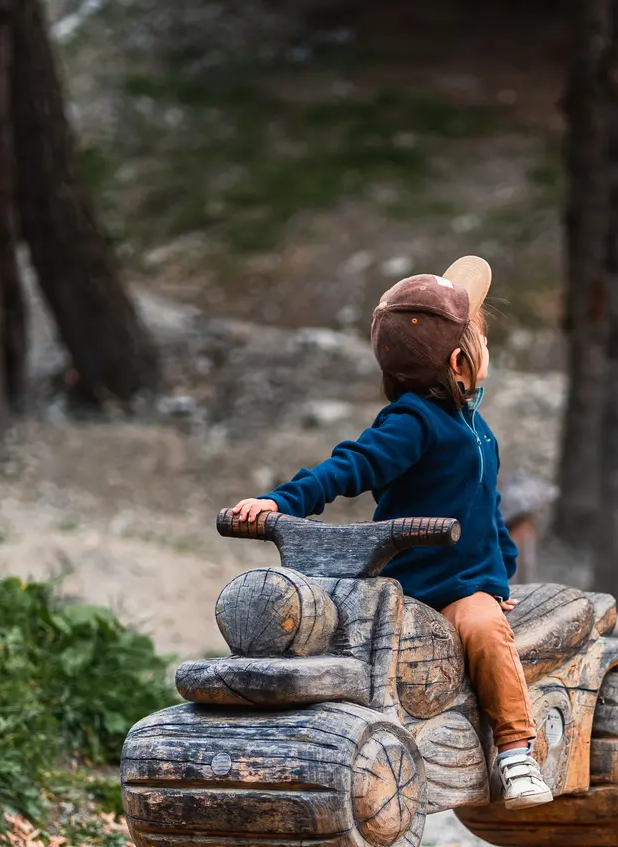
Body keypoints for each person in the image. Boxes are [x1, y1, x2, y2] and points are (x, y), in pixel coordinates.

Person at [229, 256, 554, 809]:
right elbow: (348, 467)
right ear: (460, 361)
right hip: (419, 587)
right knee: (481, 631)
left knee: (487, 623)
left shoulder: (476, 429)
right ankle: (516, 752)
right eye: (479, 335)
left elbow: (487, 507)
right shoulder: (411, 423)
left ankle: (514, 751)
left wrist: (500, 575)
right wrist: (281, 501)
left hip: (472, 585)